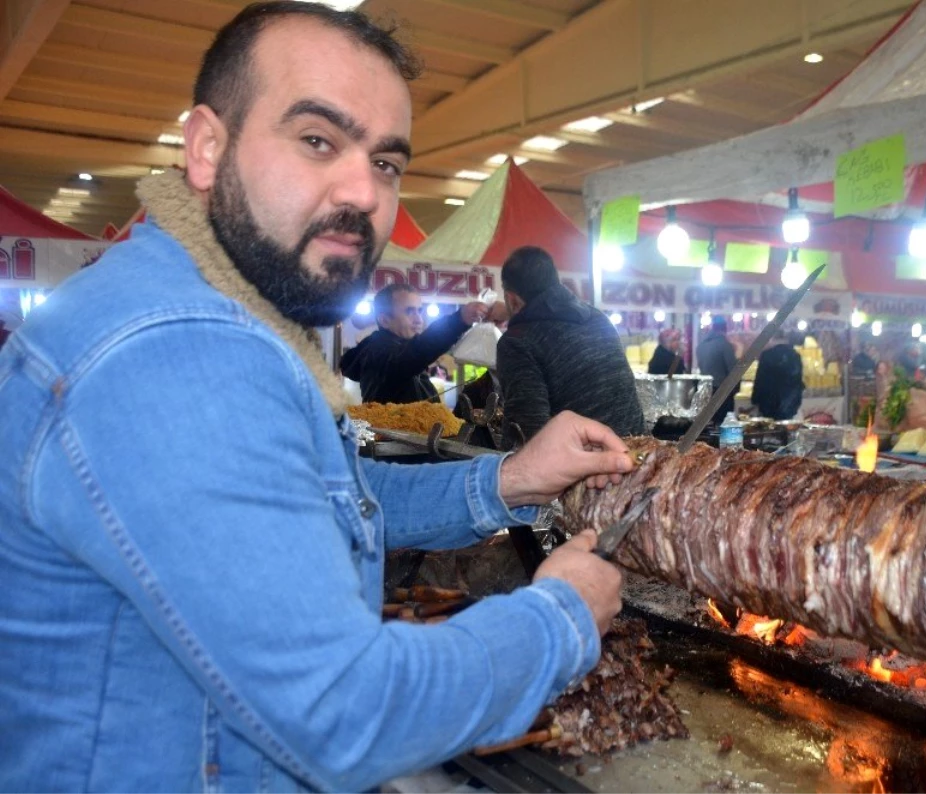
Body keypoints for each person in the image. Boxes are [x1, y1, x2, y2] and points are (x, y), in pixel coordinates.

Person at [0, 5, 633, 792]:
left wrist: (509, 479)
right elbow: (342, 711)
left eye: (388, 163)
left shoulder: (230, 318)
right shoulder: (175, 350)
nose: (362, 193)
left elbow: (327, 502)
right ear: (207, 148)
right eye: (317, 141)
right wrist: (559, 618)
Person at [496, 245, 645, 446]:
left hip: (589, 468)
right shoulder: (597, 318)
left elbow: (526, 432)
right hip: (637, 455)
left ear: (511, 299)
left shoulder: (517, 341)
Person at [340, 282, 488, 403]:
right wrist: (459, 320)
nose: (419, 320)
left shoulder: (400, 351)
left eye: (419, 311)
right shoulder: (378, 351)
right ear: (384, 320)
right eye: (409, 312)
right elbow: (416, 352)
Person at [751, 329, 804, 420]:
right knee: (786, 429)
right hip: (789, 402)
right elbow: (798, 380)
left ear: (772, 338)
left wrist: (755, 399)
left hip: (768, 402)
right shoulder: (795, 356)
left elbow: (760, 379)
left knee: (770, 429)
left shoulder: (766, 355)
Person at [697, 315, 738, 424]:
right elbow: (734, 371)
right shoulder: (724, 345)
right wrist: (735, 390)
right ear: (725, 329)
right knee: (723, 425)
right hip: (722, 392)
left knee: (708, 424)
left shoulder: (701, 345)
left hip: (705, 391)